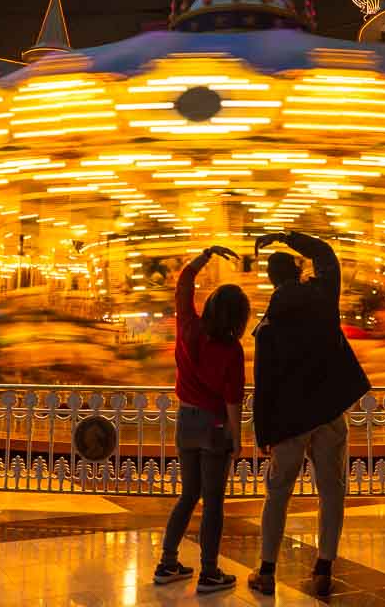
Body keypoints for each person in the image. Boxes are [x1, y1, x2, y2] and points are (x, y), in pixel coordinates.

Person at [247, 231, 370, 598]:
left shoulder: (267, 327)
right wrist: (287, 237)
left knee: (278, 493)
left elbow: (264, 384)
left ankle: (267, 570)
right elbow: (327, 253)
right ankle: (323, 568)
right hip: (328, 413)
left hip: (288, 422)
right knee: (331, 491)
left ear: (271, 281)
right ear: (299, 271)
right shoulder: (322, 297)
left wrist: (263, 433)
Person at [154, 245, 247, 595]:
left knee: (188, 494)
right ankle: (209, 572)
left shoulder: (188, 327)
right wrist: (238, 439)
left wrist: (205, 255)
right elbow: (233, 398)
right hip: (215, 426)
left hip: (186, 421)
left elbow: (183, 285)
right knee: (213, 501)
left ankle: (167, 562)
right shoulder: (231, 350)